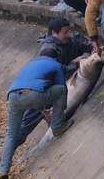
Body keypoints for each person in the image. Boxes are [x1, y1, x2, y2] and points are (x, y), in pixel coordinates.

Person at [0, 48, 74, 179]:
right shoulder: (55, 64)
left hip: (13, 96)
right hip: (32, 94)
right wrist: (59, 113)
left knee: (11, 135)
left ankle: (3, 171)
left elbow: (34, 96)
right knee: (61, 90)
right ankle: (58, 127)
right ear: (55, 58)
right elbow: (61, 87)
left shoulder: (31, 64)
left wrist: (43, 111)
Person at [17, 18, 95, 153]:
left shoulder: (72, 40)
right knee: (26, 125)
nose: (69, 35)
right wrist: (75, 64)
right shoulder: (48, 50)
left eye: (69, 31)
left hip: (60, 87)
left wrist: (94, 48)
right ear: (54, 33)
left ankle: (53, 130)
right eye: (65, 32)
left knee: (57, 112)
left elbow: (89, 45)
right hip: (43, 90)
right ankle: (12, 148)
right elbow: (48, 76)